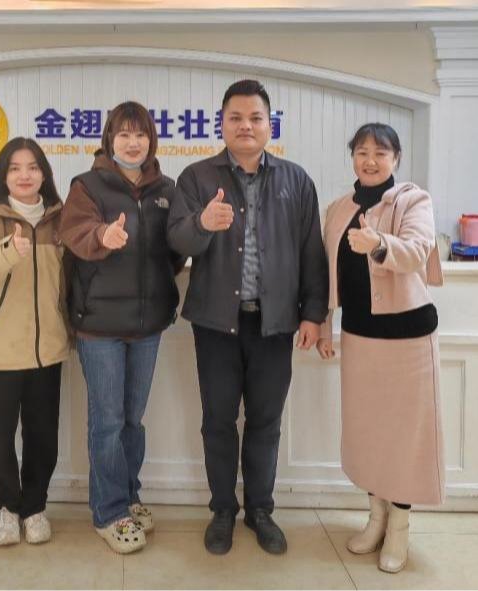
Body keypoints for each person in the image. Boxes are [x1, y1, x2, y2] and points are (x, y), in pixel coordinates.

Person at [167, 79, 328, 556]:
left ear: (269, 124)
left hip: (275, 324)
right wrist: (202, 224)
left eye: (255, 118)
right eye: (235, 118)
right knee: (218, 420)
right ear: (221, 124)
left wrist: (313, 314)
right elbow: (176, 241)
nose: (246, 126)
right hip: (216, 322)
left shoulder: (296, 180)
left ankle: (260, 510)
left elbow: (311, 254)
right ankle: (222, 510)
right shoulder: (196, 178)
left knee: (265, 421)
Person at [316, 122, 444, 573]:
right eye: (362, 152)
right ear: (352, 156)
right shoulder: (338, 208)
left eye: (380, 153)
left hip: (409, 336)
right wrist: (325, 325)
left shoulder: (413, 200)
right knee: (367, 430)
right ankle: (375, 517)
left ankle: (400, 527)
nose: (370, 160)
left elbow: (417, 250)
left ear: (396, 159)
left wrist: (378, 245)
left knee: (403, 434)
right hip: (358, 335)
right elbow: (325, 272)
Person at [59, 101, 184, 554]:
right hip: (100, 326)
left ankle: (129, 495)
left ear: (152, 140)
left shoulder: (166, 189)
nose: (133, 143)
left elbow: (174, 251)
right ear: (109, 139)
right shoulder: (87, 185)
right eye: (124, 134)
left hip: (148, 325)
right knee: (107, 421)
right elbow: (75, 233)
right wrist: (102, 236)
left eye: (141, 134)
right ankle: (109, 512)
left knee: (133, 420)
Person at [0, 137, 70, 547]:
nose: (25, 175)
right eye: (15, 168)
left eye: (33, 167)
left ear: (44, 174)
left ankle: (35, 507)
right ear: (2, 175)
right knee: (0, 438)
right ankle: (6, 507)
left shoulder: (59, 218)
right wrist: (9, 249)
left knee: (43, 437)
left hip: (47, 350)